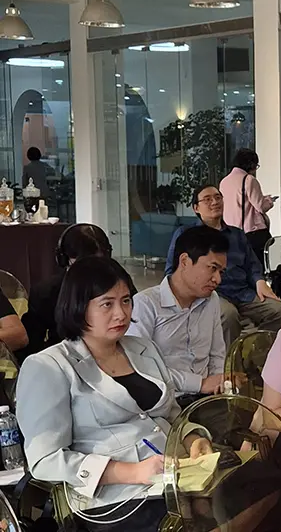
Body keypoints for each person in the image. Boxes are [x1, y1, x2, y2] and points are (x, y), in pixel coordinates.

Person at [16, 257, 214, 532]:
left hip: (177, 477)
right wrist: (132, 472)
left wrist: (193, 439)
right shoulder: (49, 366)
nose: (121, 314)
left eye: (125, 301)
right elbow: (45, 460)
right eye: (107, 304)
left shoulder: (142, 348)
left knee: (263, 486)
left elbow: (172, 413)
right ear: (78, 307)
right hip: (116, 499)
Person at [166, 185, 281, 349]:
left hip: (242, 292)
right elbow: (171, 270)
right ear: (196, 208)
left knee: (280, 312)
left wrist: (259, 281)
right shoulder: (186, 234)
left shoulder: (237, 234)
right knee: (228, 315)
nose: (214, 202)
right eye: (208, 199)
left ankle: (257, 354)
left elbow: (252, 265)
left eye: (218, 197)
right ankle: (228, 366)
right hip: (211, 293)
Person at [128, 226, 228, 407]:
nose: (217, 279)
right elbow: (141, 368)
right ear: (184, 261)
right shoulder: (146, 305)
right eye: (212, 268)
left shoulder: (211, 299)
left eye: (221, 272)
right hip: (165, 403)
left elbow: (217, 352)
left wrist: (217, 385)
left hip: (206, 399)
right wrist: (201, 384)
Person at [20, 223, 114, 362]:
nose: (91, 268)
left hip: (110, 356)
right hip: (62, 360)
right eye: (84, 261)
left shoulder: (118, 286)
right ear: (64, 259)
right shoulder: (46, 292)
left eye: (98, 261)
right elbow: (31, 344)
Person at [220, 148, 275, 266]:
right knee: (256, 267)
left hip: (231, 232)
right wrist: (269, 201)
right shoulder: (248, 179)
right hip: (251, 233)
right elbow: (261, 207)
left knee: (238, 266)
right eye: (256, 165)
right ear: (250, 164)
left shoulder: (224, 181)